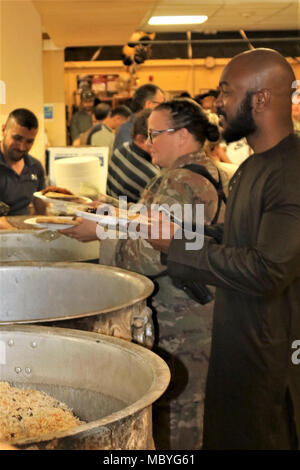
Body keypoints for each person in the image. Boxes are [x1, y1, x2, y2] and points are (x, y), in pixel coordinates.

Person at [146, 48, 300, 450]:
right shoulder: (254, 165)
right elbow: (235, 239)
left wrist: (178, 245)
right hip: (237, 340)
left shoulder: (291, 172)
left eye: (226, 93)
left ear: (261, 99)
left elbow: (267, 269)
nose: (217, 105)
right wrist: (177, 235)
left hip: (271, 353)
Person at [61, 99, 228, 450]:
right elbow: (154, 222)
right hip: (194, 318)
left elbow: (152, 253)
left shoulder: (182, 182)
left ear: (182, 135)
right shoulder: (203, 173)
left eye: (154, 134)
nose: (147, 142)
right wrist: (111, 211)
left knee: (178, 420)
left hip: (181, 325)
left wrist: (99, 235)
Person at [0, 108, 46, 220]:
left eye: (29, 141)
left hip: (23, 233)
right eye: (17, 138)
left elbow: (42, 210)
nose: (22, 147)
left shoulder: (35, 167)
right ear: (3, 130)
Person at [106, 109, 160, 203]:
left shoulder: (121, 150)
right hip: (126, 216)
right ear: (141, 140)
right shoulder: (151, 176)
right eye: (156, 137)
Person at [112, 83, 165, 152]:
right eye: (162, 105)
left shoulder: (148, 128)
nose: (164, 109)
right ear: (149, 104)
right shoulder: (127, 131)